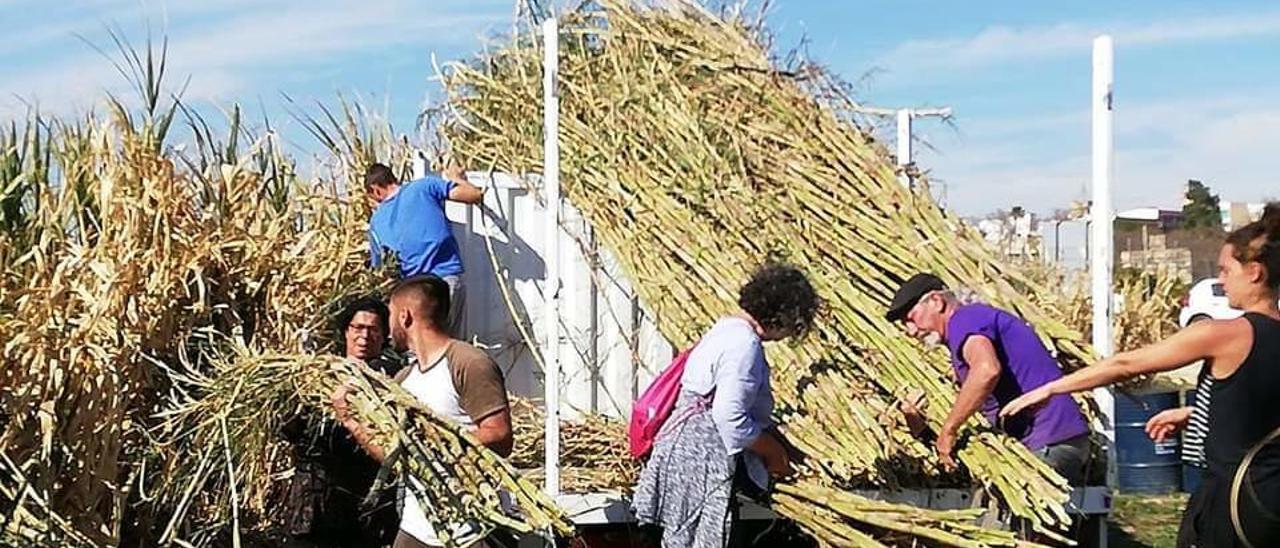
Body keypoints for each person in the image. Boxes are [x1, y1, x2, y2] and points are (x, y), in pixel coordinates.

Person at [1002, 203, 1280, 548]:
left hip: (1231, 501)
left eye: (1226, 270)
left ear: (1254, 272)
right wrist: (1194, 413)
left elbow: (1127, 364)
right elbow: (1258, 406)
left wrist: (1050, 390)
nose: (1221, 281)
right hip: (1271, 499)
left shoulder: (1225, 334)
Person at [632, 263, 819, 548]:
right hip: (700, 462)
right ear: (783, 316)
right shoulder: (744, 344)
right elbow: (730, 418)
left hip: (681, 453)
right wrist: (774, 453)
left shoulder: (724, 330)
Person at [332, 276, 513, 548]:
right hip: (417, 531)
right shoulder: (404, 380)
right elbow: (395, 455)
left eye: (391, 315)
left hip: (471, 530)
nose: (390, 328)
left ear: (404, 316)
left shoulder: (467, 362)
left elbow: (499, 435)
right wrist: (350, 420)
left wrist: (432, 445)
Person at [884, 273, 1091, 484]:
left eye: (910, 319)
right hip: (1051, 442)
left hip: (1050, 443)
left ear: (937, 302)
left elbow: (986, 371)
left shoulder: (965, 320)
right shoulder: (966, 330)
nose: (909, 331)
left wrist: (949, 430)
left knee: (1012, 515)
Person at [284, 297, 401, 547]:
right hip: (314, 499)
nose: (364, 336)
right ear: (346, 332)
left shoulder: (392, 378)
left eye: (373, 329)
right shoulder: (321, 374)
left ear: (384, 335)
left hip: (365, 499)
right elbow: (289, 430)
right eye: (357, 328)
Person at [365, 162, 485, 336]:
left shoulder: (376, 223)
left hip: (412, 293)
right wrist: (456, 178)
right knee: (449, 349)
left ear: (375, 189)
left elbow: (380, 270)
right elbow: (474, 195)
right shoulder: (424, 186)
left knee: (418, 352)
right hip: (445, 281)